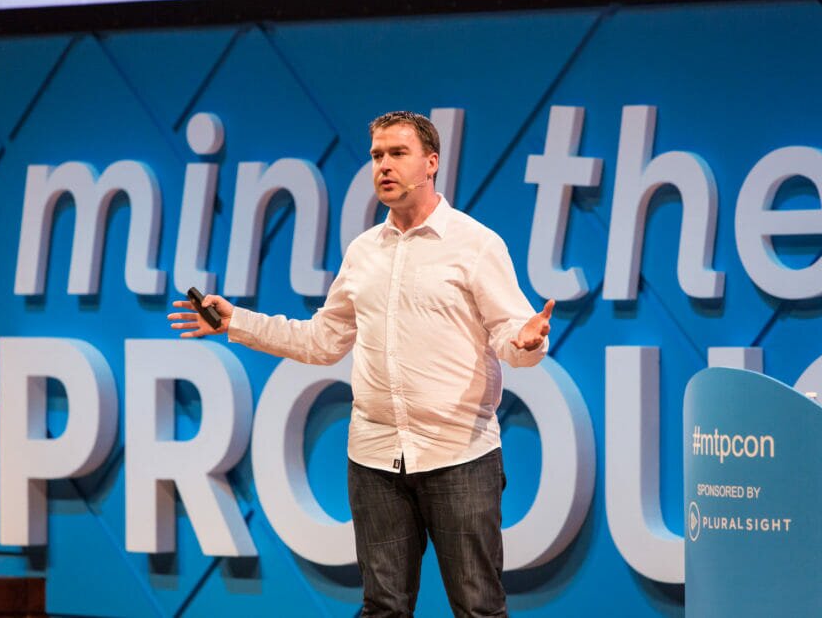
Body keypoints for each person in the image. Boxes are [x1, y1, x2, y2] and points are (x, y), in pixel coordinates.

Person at [169, 111, 553, 617]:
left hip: (459, 457)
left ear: (432, 162)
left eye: (397, 154)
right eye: (376, 156)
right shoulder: (363, 252)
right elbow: (322, 341)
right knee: (383, 609)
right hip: (374, 461)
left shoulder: (476, 245)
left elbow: (510, 336)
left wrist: (526, 342)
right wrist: (235, 321)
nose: (384, 166)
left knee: (478, 607)